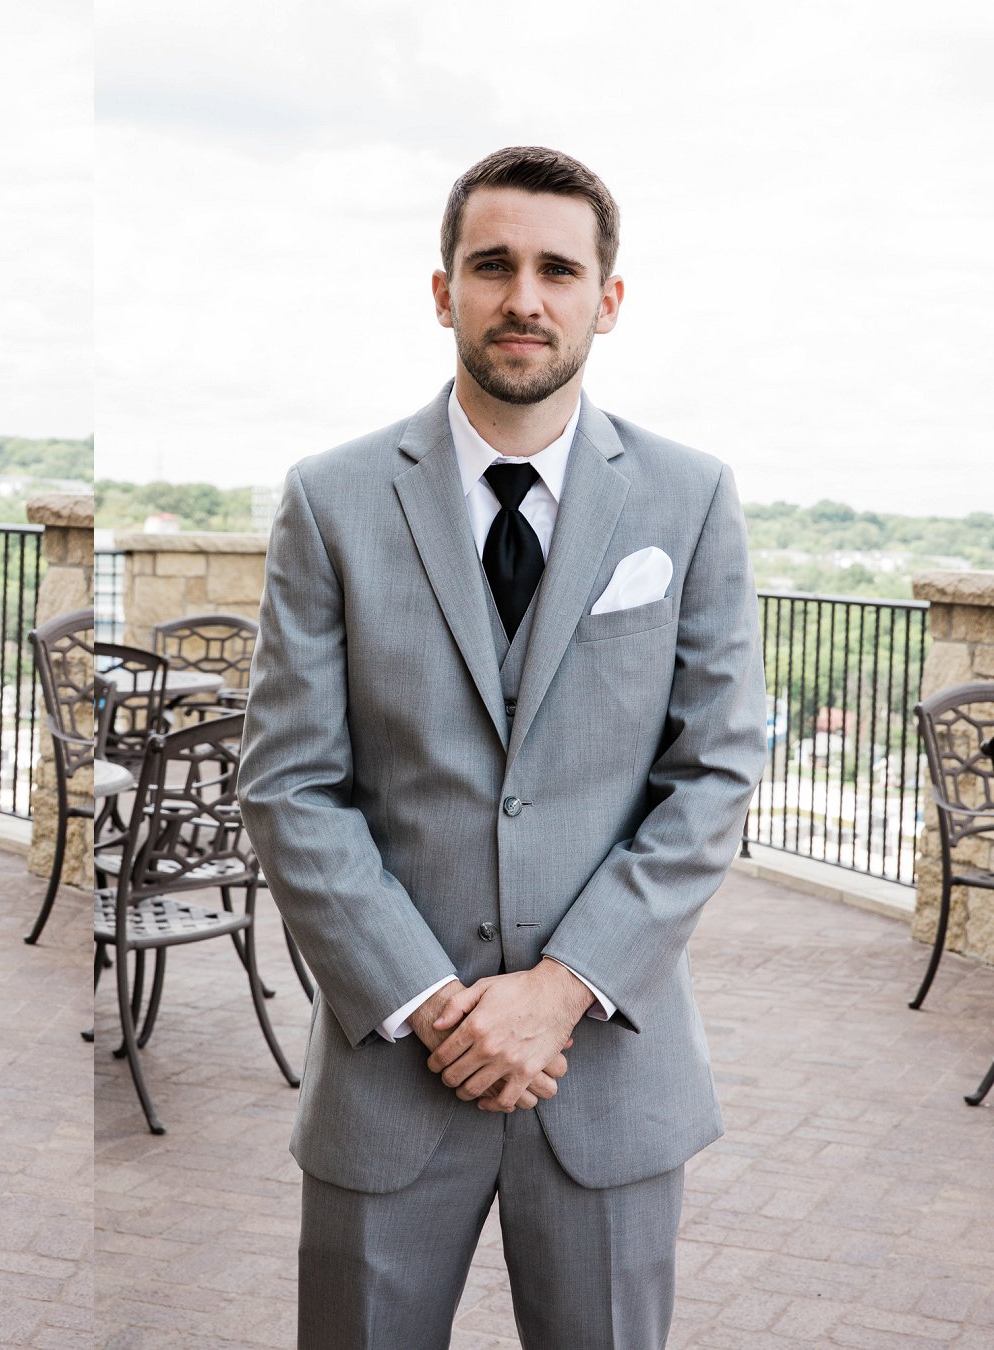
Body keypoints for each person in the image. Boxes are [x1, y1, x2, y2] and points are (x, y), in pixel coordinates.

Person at [236, 146, 767, 1348]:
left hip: (610, 1080)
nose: (524, 296)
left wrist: (560, 990)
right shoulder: (331, 499)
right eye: (493, 265)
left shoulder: (689, 499)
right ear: (444, 292)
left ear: (605, 300)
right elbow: (288, 783)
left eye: (556, 269)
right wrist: (434, 1005)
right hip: (390, 1072)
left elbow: (714, 775)